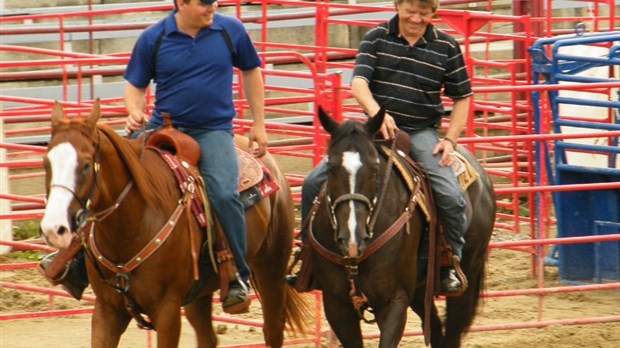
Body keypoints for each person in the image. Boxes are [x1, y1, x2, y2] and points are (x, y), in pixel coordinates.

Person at [286, 0, 472, 295]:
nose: (416, 18)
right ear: (398, 5)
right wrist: (377, 114)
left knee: (450, 194)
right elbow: (359, 84)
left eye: (424, 12)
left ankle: (450, 262)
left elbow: (462, 96)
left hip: (421, 130)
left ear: (432, 12)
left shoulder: (446, 46)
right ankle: (309, 255)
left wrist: (450, 139)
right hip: (374, 129)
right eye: (411, 10)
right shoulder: (376, 37)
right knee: (312, 183)